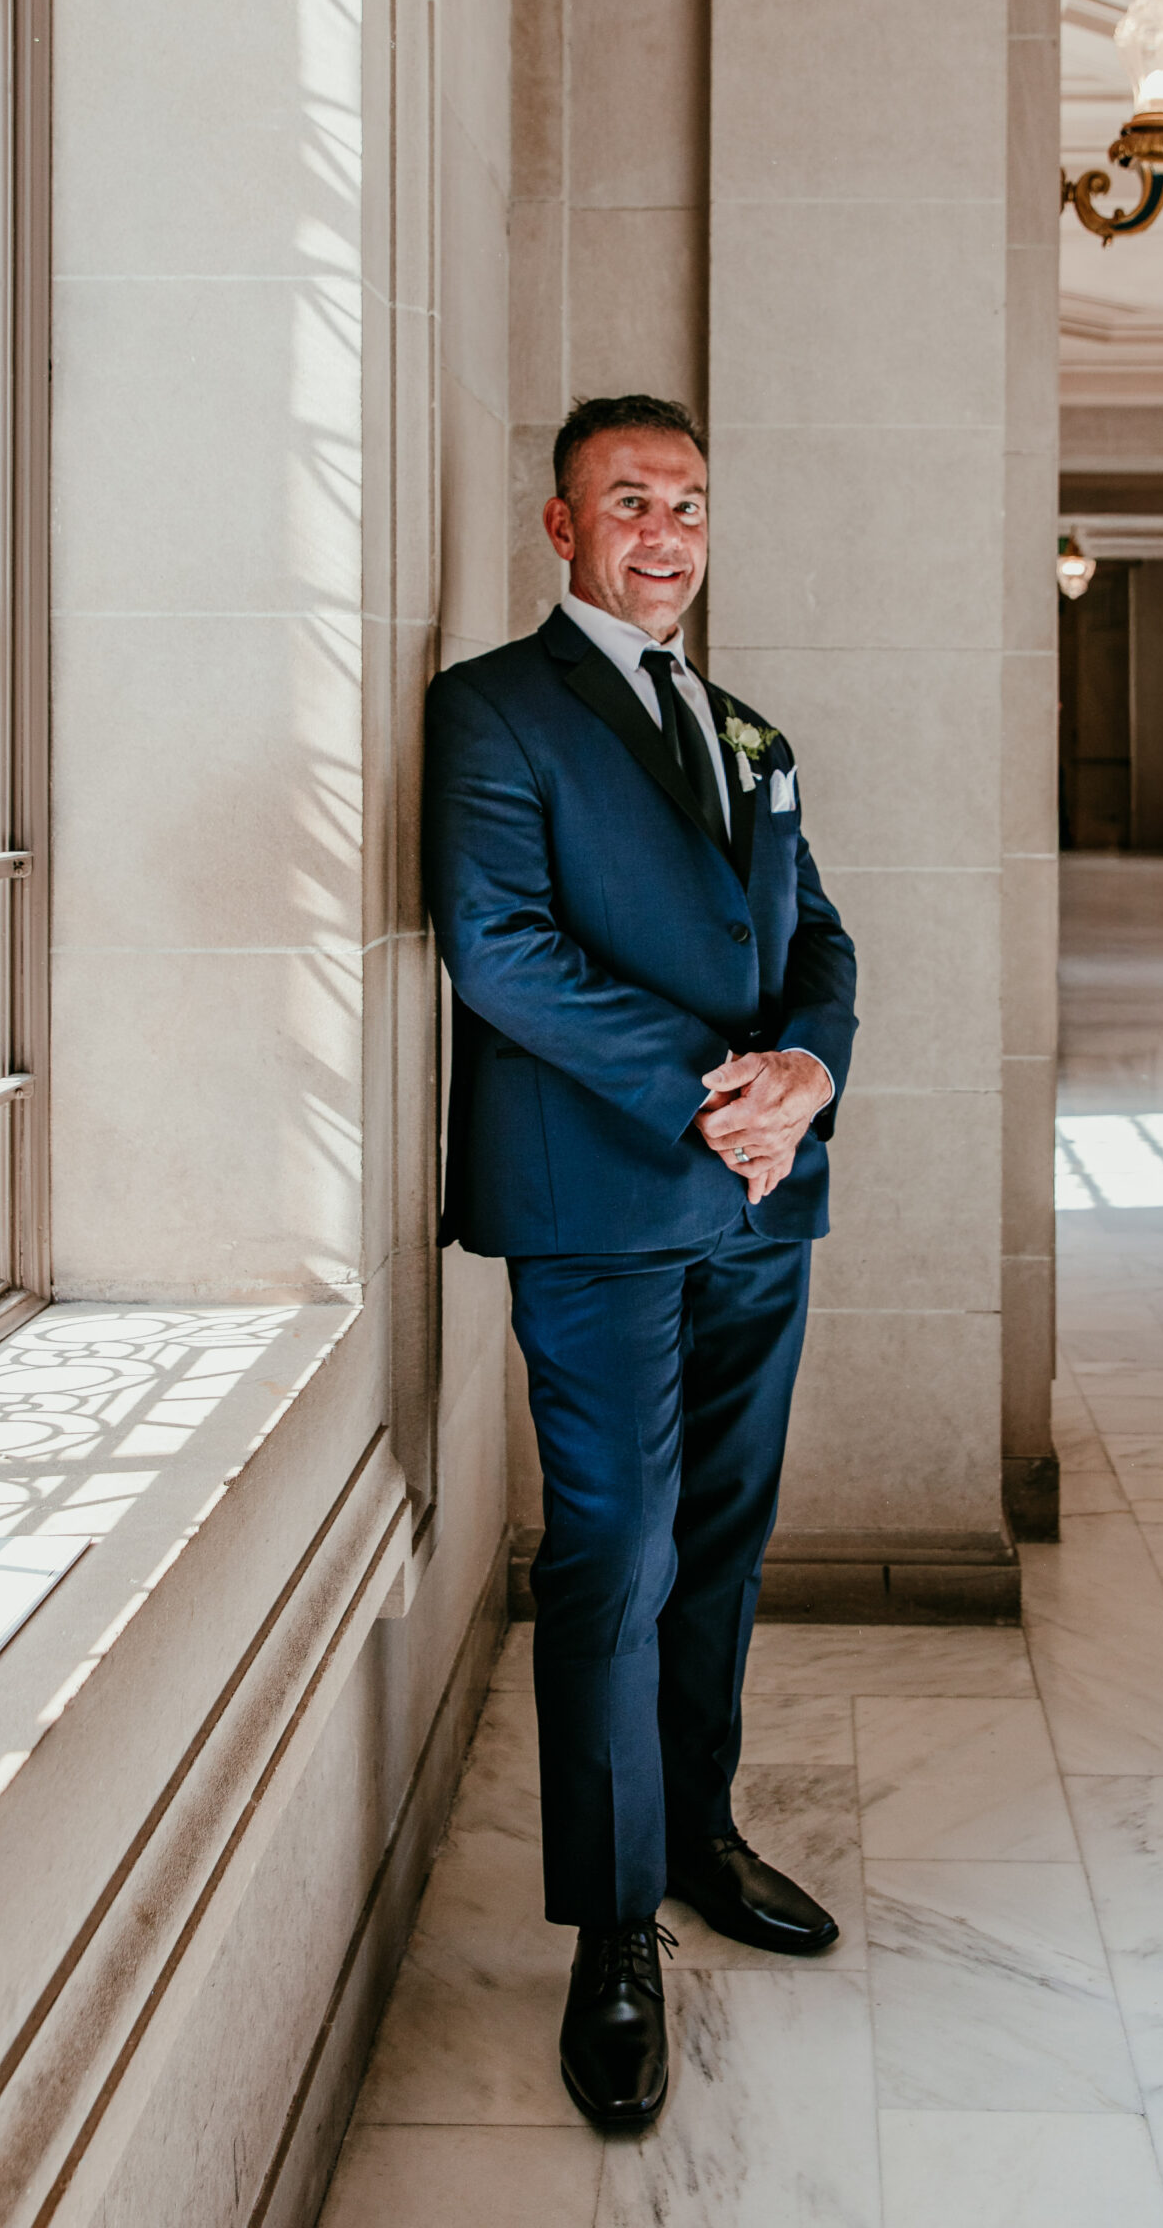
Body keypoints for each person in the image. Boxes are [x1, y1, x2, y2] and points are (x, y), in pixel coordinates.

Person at [422, 393, 857, 2129]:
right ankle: (611, 1933)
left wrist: (809, 1074)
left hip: (761, 1198)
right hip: (601, 1202)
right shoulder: (493, 709)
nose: (663, 533)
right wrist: (713, 1094)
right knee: (614, 1549)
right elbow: (499, 953)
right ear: (561, 527)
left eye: (685, 502)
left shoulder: (748, 725)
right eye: (628, 502)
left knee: (726, 1541)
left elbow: (816, 931)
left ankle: (695, 1835)